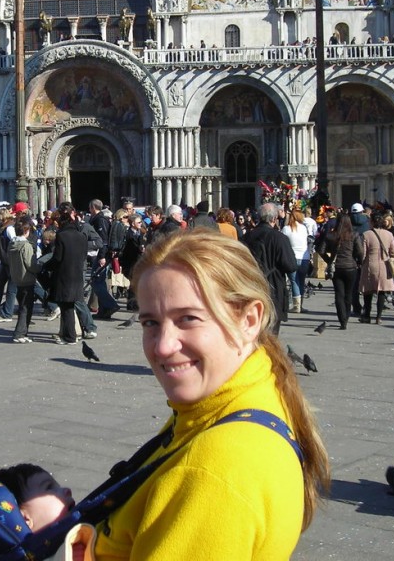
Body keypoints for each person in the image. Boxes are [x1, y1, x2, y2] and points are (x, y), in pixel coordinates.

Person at [93, 230, 330, 559]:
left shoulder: (212, 470)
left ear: (249, 319)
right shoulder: (237, 401)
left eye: (188, 318)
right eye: (150, 323)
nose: (163, 345)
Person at [243, 203, 297, 332]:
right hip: (274, 288)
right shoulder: (279, 238)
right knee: (271, 333)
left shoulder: (246, 237)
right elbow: (291, 266)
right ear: (274, 219)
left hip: (251, 287)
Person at [44, 203, 88, 345]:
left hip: (64, 276)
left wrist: (46, 266)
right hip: (77, 275)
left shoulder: (62, 236)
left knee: (67, 307)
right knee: (69, 306)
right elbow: (83, 256)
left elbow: (57, 258)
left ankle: (70, 337)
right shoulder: (82, 236)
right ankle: (67, 333)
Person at [318, 212, 361, 328]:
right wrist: (357, 260)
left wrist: (329, 260)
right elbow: (360, 252)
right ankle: (346, 316)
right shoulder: (354, 235)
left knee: (339, 293)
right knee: (349, 293)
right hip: (350, 267)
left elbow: (321, 250)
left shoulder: (331, 235)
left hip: (336, 267)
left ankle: (342, 319)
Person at [355, 211, 394, 324]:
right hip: (384, 265)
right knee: (382, 291)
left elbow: (363, 253)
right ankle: (379, 316)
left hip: (370, 265)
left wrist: (360, 262)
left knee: (368, 291)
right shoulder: (389, 234)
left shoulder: (366, 234)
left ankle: (367, 315)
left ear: (372, 221)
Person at [8, 218, 39, 344]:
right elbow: (30, 264)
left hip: (17, 278)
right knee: (26, 308)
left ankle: (23, 332)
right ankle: (19, 333)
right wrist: (39, 267)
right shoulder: (26, 245)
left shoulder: (11, 244)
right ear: (26, 231)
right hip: (27, 278)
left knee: (22, 305)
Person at [281, 208, 313, 313]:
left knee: (294, 281)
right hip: (304, 258)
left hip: (292, 257)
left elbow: (283, 243)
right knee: (301, 281)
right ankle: (301, 305)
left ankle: (296, 306)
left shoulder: (286, 229)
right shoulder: (304, 228)